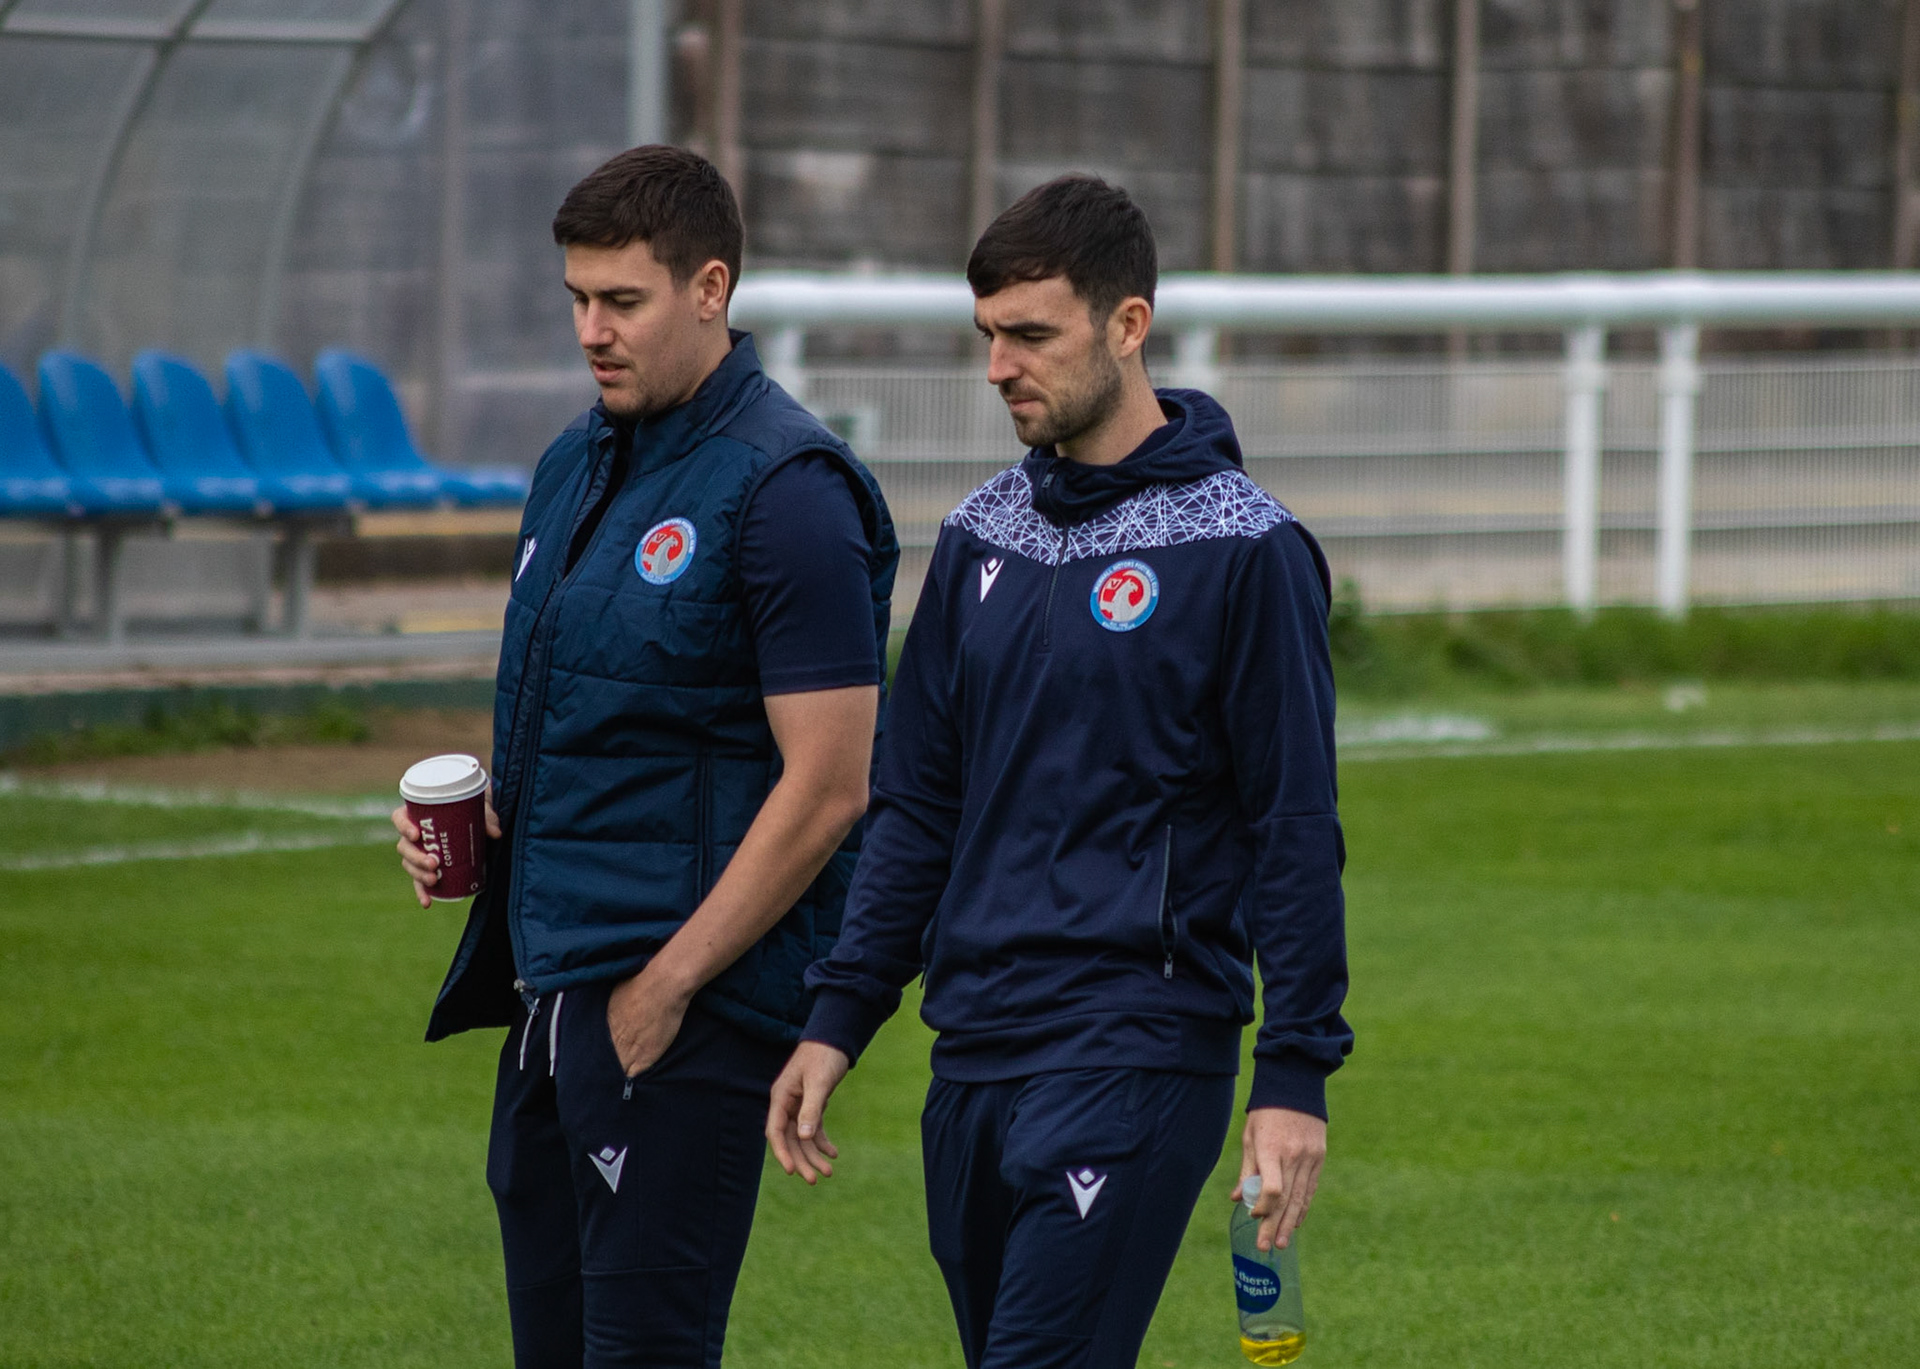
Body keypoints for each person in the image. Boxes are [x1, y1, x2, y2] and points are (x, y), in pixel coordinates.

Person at [765, 175, 1352, 1368]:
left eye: (1030, 333)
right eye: (987, 335)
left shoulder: (1249, 549)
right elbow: (918, 804)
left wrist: (1291, 1074)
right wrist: (839, 1013)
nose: (998, 366)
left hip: (1136, 1047)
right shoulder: (982, 532)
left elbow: (1293, 824)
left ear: (1127, 326)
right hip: (972, 1049)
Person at [392, 145, 897, 1367]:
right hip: (550, 992)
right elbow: (600, 723)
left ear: (711, 286)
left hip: (682, 1016)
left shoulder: (791, 490)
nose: (590, 331)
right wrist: (478, 826)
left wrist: (668, 986)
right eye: (576, 299)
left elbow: (831, 783)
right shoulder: (574, 464)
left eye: (623, 301)